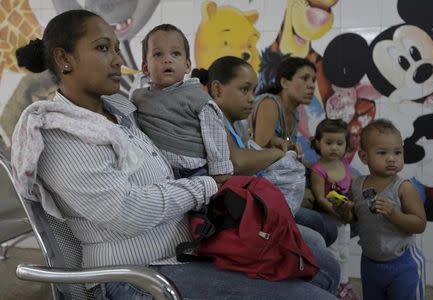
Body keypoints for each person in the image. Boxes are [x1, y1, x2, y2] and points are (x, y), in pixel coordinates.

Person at [12, 10, 338, 299]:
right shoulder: (58, 134)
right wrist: (206, 186)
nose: (116, 59)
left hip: (185, 247)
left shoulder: (121, 116)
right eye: (102, 48)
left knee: (321, 262)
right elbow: (128, 211)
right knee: (314, 286)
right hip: (136, 276)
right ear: (64, 59)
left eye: (115, 47)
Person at [335, 119, 427, 300]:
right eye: (383, 153)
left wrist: (393, 213)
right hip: (370, 263)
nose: (392, 158)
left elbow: (420, 224)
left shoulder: (404, 188)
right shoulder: (357, 185)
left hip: (404, 264)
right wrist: (345, 212)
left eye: (397, 152)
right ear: (364, 157)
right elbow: (356, 218)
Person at [252, 56, 338, 246]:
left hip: (280, 185)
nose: (311, 86)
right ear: (284, 82)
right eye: (304, 78)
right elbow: (259, 152)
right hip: (260, 187)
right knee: (323, 226)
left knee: (332, 224)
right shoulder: (270, 104)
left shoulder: (294, 113)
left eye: (313, 80)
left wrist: (320, 169)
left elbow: (289, 154)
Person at [131, 24, 232, 182]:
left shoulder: (197, 97)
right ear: (145, 68)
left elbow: (215, 135)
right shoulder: (138, 98)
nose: (167, 59)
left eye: (176, 53)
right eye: (158, 54)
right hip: (156, 173)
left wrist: (220, 174)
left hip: (195, 171)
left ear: (187, 65)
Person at [309, 118, 359, 299]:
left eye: (339, 143)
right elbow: (320, 198)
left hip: (343, 219)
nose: (334, 148)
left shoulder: (345, 165)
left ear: (346, 145)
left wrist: (352, 206)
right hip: (327, 220)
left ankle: (344, 282)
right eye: (328, 143)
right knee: (332, 254)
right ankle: (334, 285)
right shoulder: (318, 169)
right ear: (318, 143)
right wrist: (336, 211)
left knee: (345, 252)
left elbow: (352, 187)